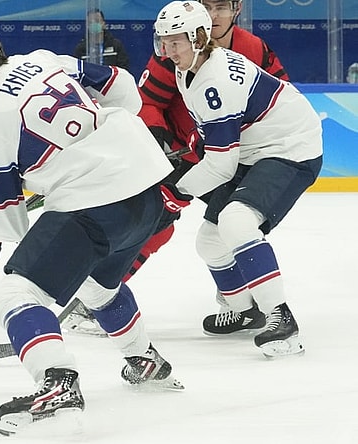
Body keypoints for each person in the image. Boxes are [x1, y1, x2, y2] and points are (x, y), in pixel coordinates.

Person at [0, 13, 183, 435]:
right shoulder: (45, 58)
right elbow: (124, 88)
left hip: (94, 201)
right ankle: (146, 361)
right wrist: (98, 143)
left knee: (14, 293)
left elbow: (3, 219)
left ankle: (57, 381)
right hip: (147, 188)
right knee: (98, 287)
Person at [60, 0, 293, 336]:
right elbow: (148, 101)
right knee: (154, 220)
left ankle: (243, 304)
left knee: (232, 225)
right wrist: (161, 140)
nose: (213, 16)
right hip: (182, 154)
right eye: (207, 6)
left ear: (237, 9)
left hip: (230, 156)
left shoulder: (253, 50)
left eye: (221, 8)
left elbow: (280, 101)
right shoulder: (177, 46)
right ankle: (105, 295)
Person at [154, 1, 321, 357]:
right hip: (254, 149)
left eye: (175, 42)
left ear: (198, 39)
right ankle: (245, 310)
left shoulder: (215, 80)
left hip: (290, 148)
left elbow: (220, 167)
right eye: (163, 42)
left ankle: (282, 319)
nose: (167, 51)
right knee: (210, 242)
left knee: (236, 221)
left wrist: (176, 191)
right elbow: (214, 136)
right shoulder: (192, 68)